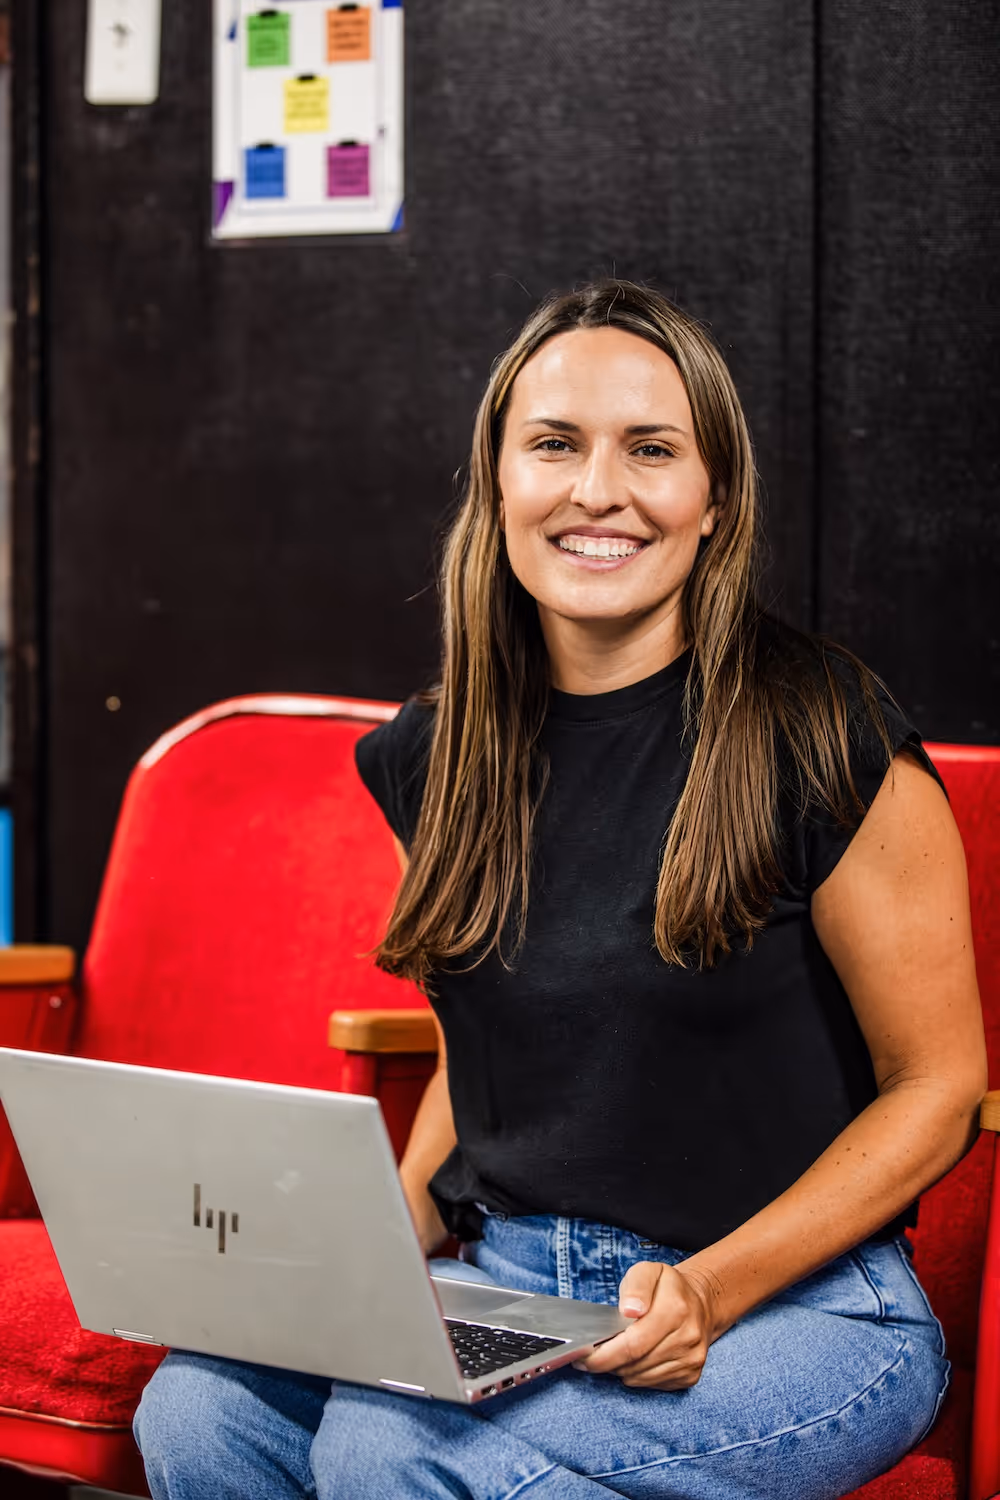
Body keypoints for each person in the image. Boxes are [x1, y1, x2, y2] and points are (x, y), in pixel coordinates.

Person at [134, 280, 986, 1499]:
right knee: (205, 1413)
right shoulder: (434, 754)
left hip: (798, 1311)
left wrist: (710, 1287)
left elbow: (938, 1088)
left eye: (651, 449)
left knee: (390, 1451)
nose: (597, 490)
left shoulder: (822, 733)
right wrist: (363, 1261)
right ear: (496, 484)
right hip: (514, 1285)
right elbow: (468, 1059)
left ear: (714, 502)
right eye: (553, 445)